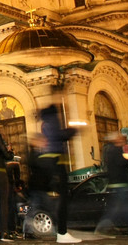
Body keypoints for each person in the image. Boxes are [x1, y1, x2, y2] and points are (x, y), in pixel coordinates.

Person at [40, 87, 78, 244]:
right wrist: (73, 131)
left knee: (61, 196)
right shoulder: (52, 116)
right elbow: (56, 136)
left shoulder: (51, 115)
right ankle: (62, 232)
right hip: (55, 159)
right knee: (63, 196)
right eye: (63, 95)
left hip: (53, 160)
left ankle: (61, 231)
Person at [94, 132, 128, 238]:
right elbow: (123, 162)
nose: (124, 140)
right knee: (127, 208)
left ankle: (104, 228)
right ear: (117, 140)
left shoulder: (110, 150)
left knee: (116, 209)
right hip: (121, 184)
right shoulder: (116, 150)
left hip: (117, 184)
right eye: (122, 139)